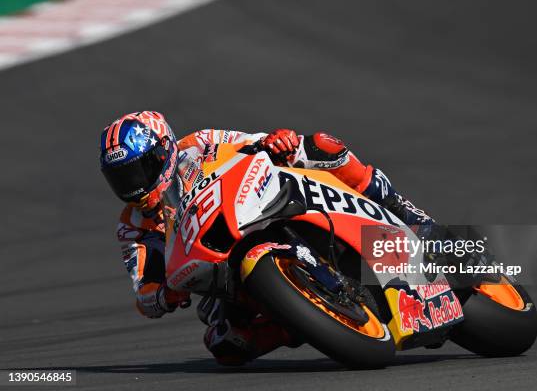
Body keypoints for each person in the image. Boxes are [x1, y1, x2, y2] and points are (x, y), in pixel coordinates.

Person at [100, 111, 433, 365]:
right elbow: (144, 294)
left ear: (162, 152)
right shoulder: (134, 226)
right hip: (221, 268)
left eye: (137, 171)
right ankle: (304, 320)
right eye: (120, 179)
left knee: (317, 144)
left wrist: (278, 141)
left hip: (258, 206)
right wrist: (167, 294)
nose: (133, 186)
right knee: (225, 344)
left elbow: (252, 142)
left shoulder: (198, 143)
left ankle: (400, 209)